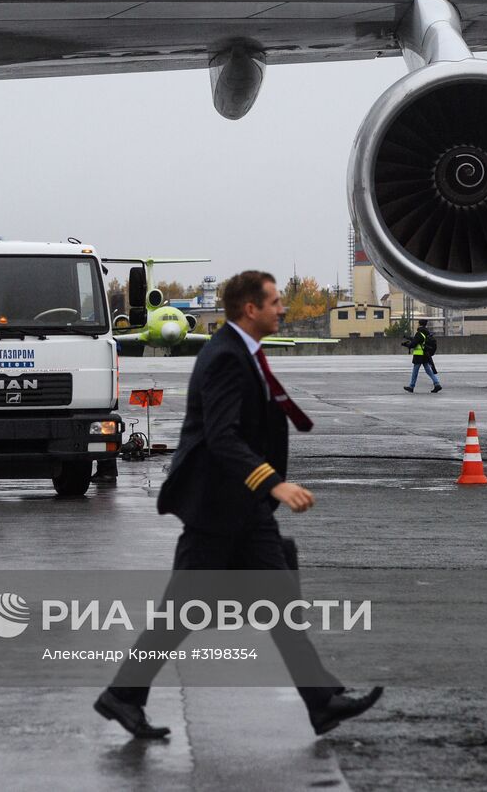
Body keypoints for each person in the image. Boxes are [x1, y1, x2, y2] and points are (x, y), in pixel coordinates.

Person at [94, 270, 382, 740]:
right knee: (180, 616)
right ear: (251, 308)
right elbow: (222, 438)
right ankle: (123, 695)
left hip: (243, 511)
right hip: (218, 510)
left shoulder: (242, 352)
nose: (281, 309)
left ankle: (321, 702)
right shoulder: (226, 357)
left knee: (280, 603)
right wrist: (275, 485)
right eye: (273, 302)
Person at [401, 319, 442, 393]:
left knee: (415, 372)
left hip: (419, 355)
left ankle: (411, 386)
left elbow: (414, 344)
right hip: (425, 354)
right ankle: (437, 384)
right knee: (428, 371)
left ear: (419, 324)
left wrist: (406, 344)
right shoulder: (427, 333)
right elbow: (418, 341)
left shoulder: (419, 333)